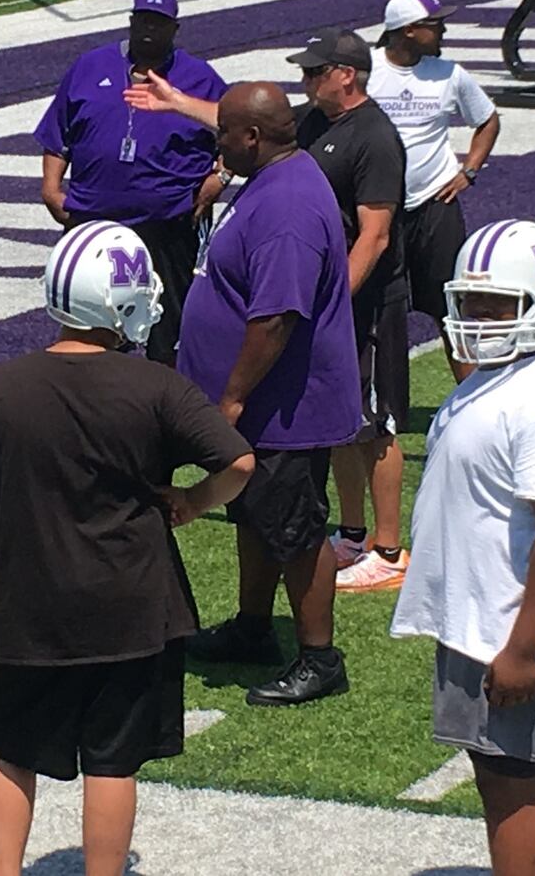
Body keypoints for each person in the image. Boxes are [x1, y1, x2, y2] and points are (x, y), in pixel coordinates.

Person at [0, 221, 254, 876]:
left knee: (9, 746)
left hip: (31, 598)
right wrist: (193, 501)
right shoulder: (157, 388)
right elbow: (239, 464)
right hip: (132, 602)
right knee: (112, 761)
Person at [392, 220, 535, 876]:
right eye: (472, 303)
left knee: (508, 785)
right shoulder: (498, 377)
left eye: (499, 306)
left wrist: (522, 649)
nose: (481, 320)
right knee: (531, 769)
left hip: (512, 623)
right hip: (486, 612)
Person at [174, 83, 360, 706]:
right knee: (253, 515)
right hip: (266, 403)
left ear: (251, 137)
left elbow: (276, 315)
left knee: (295, 528)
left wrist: (230, 398)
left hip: (285, 406)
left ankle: (318, 656)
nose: (218, 142)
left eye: (224, 132)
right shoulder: (273, 184)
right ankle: (254, 627)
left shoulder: (286, 207)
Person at [283, 30, 414, 591]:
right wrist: (175, 102)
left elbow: (376, 236)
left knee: (378, 423)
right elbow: (246, 117)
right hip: (335, 299)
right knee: (343, 418)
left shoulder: (376, 137)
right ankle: (354, 535)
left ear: (347, 74)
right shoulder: (316, 122)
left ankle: (388, 549)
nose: (306, 81)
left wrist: (338, 298)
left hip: (371, 301)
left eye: (315, 72)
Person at [34, 0, 228, 364]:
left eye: (158, 23)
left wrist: (219, 178)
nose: (148, 30)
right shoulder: (90, 67)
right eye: (141, 20)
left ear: (175, 28)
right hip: (93, 221)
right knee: (93, 326)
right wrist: (50, 188)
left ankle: (164, 408)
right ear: (130, 21)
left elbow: (238, 131)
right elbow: (59, 134)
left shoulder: (199, 78)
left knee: (169, 331)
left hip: (169, 223)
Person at [370, 0, 501, 382]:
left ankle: (472, 394)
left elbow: (487, 120)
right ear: (409, 31)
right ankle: (379, 404)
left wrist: (469, 171)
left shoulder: (450, 73)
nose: (443, 29)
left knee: (450, 309)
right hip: (379, 208)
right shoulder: (366, 70)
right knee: (378, 310)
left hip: (434, 204)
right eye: (435, 24)